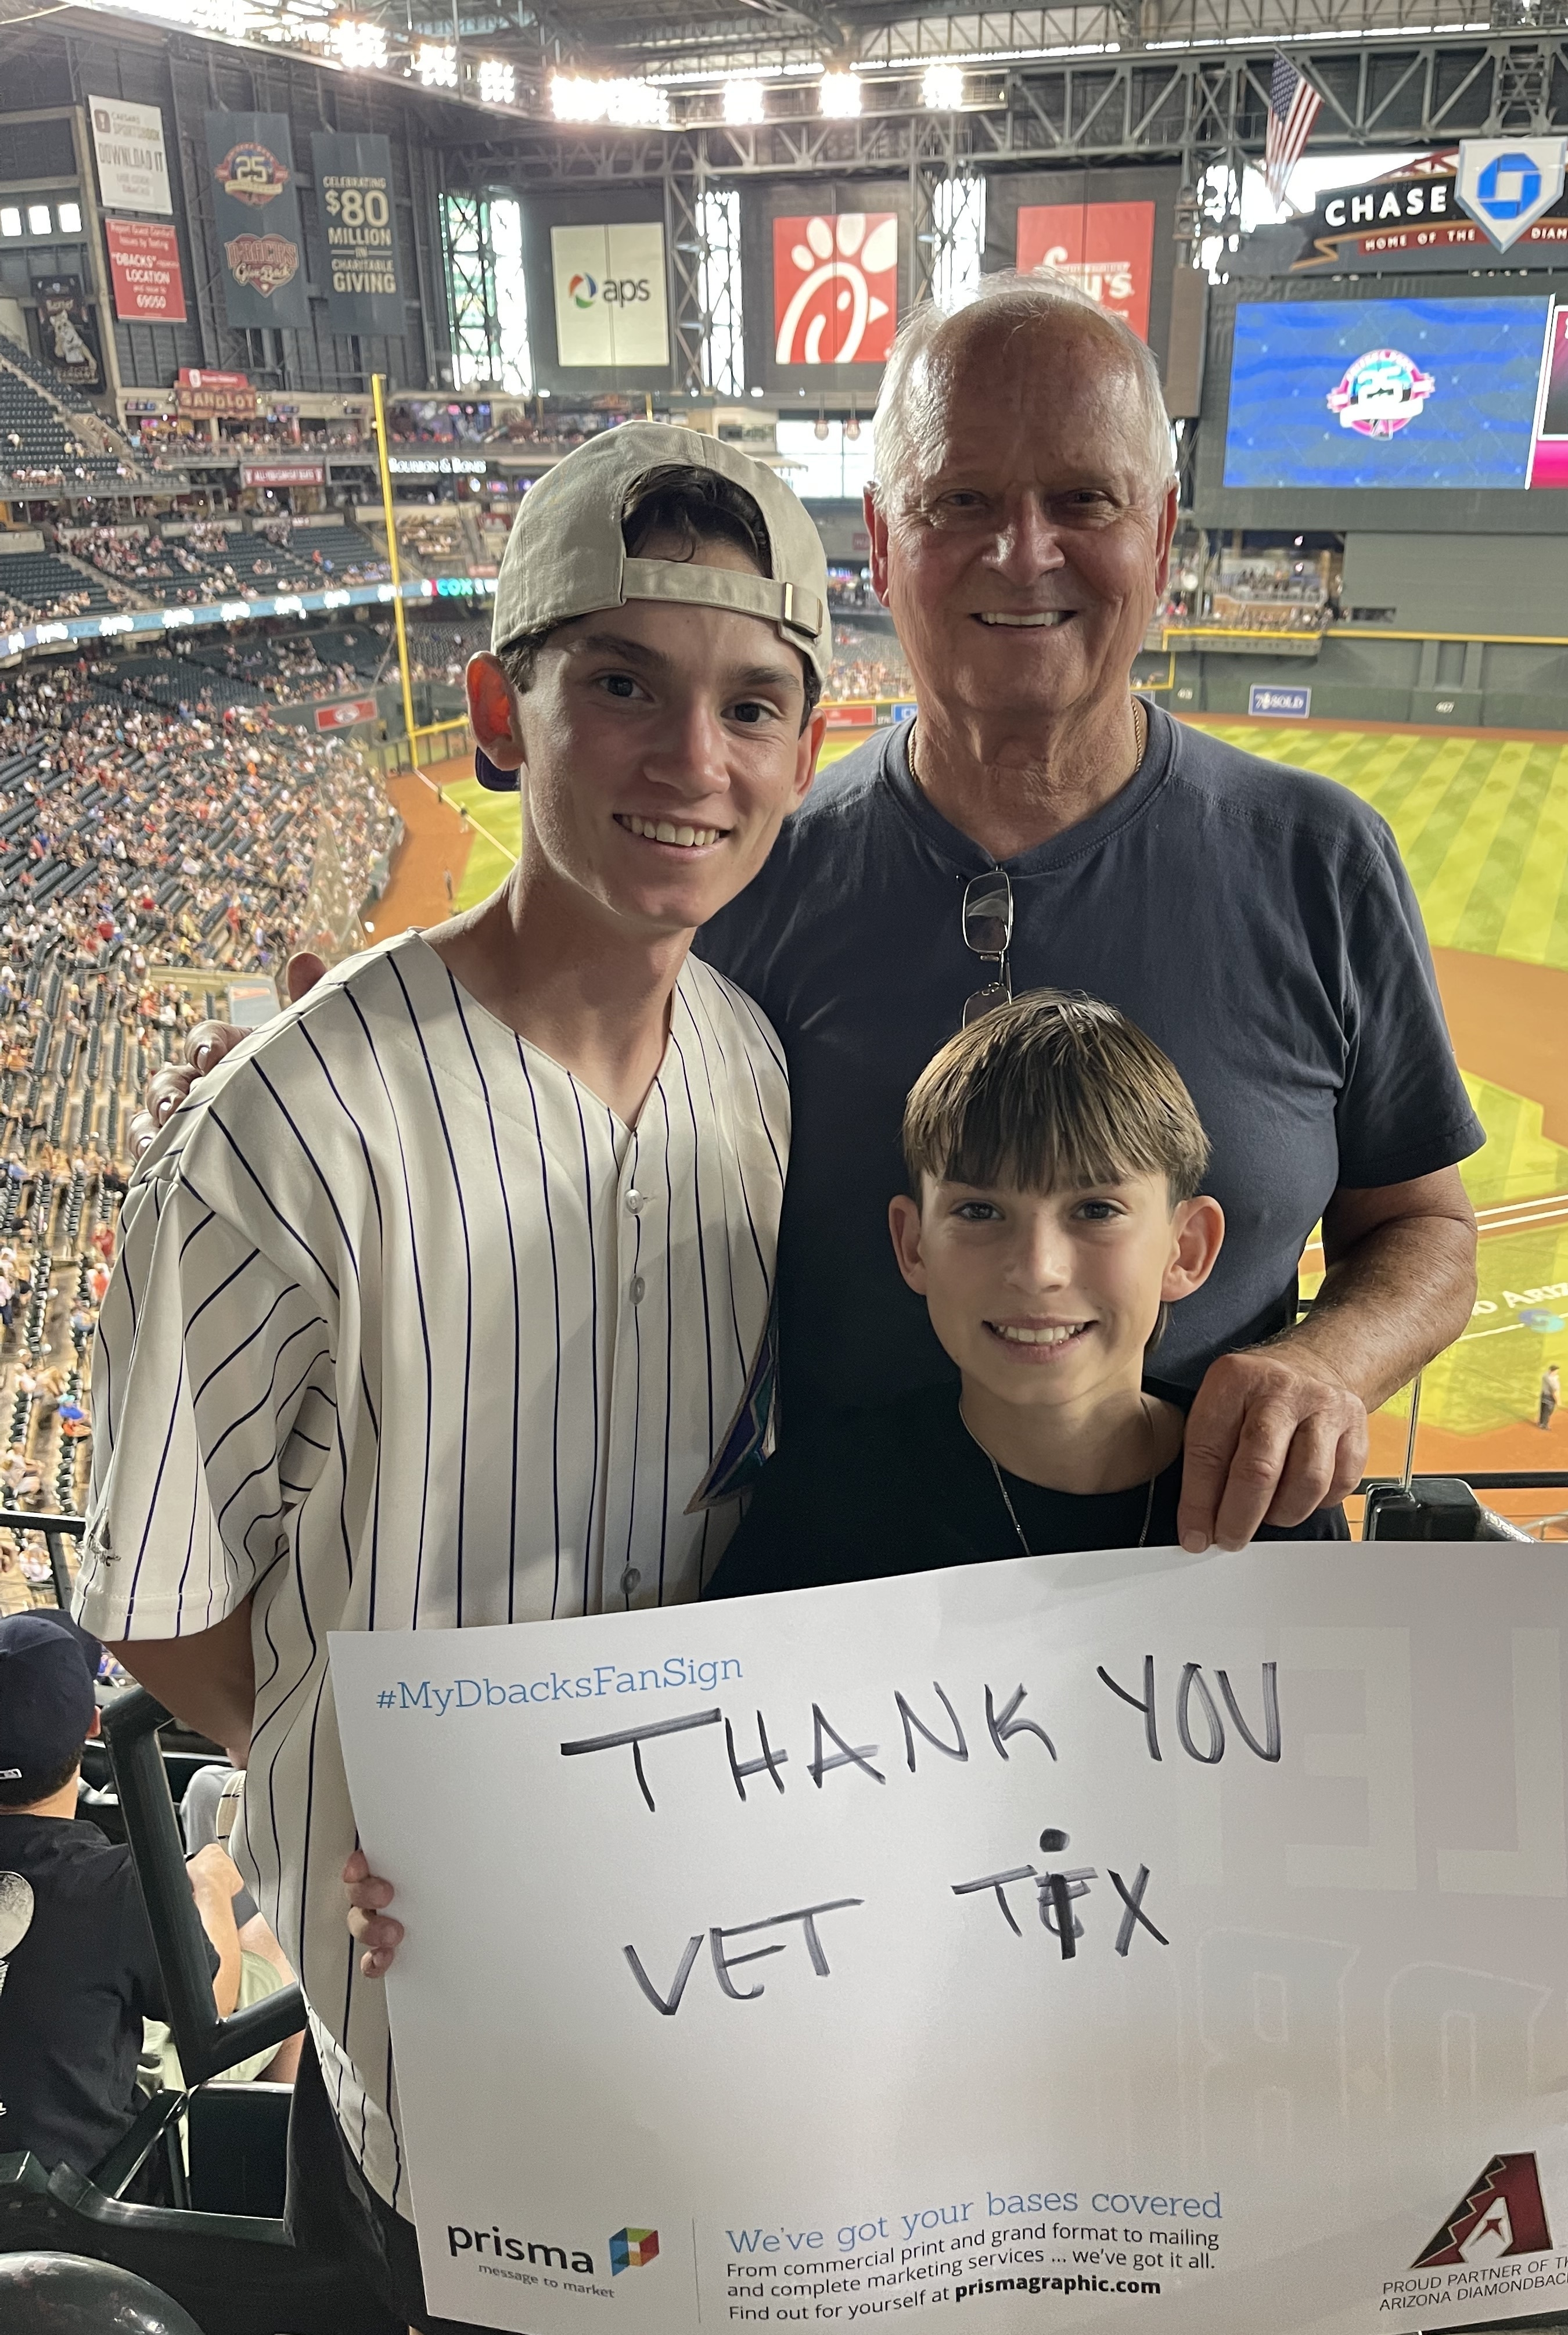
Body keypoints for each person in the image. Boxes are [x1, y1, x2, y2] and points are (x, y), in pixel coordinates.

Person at [141, 276, 1484, 1555]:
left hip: (1215, 1629)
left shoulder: (1323, 859)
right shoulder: (737, 875)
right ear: (886, 542)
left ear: (1164, 534)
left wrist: (1327, 1359)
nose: (1026, 552)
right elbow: (545, 1076)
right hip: (839, 1648)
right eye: (964, 499)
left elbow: (1423, 1226)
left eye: (1085, 497)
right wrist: (311, 1077)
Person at [74, 426, 832, 2333]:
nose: (695, 759)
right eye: (622, 687)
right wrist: (364, 1797)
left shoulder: (751, 1068)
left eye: (752, 704)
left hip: (712, 1954)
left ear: (806, 755)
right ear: (500, 713)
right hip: (438, 2001)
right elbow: (162, 1607)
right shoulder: (283, 1134)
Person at [706, 991, 1339, 1594]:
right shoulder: (822, 1504)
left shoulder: (1269, 1495)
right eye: (980, 1212)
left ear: (1187, 1248)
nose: (1038, 1269)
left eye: (1096, 1210)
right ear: (914, 1244)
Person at [0, 1609, 247, 2181]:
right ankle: (265, 2194)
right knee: (277, 1958)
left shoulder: (118, 1881)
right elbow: (213, 2005)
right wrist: (208, 1884)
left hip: (28, 2201)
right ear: (93, 1725)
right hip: (84, 2207)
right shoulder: (118, 1882)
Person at [1539, 1361, 1562, 1430]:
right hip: (1550, 1397)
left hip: (1544, 1395)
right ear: (1553, 1371)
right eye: (1556, 1371)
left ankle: (1541, 1422)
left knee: (1543, 1410)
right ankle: (1544, 1425)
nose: (1557, 1372)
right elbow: (1555, 1392)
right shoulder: (1552, 1380)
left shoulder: (1546, 1375)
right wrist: (1558, 1401)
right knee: (1548, 1411)